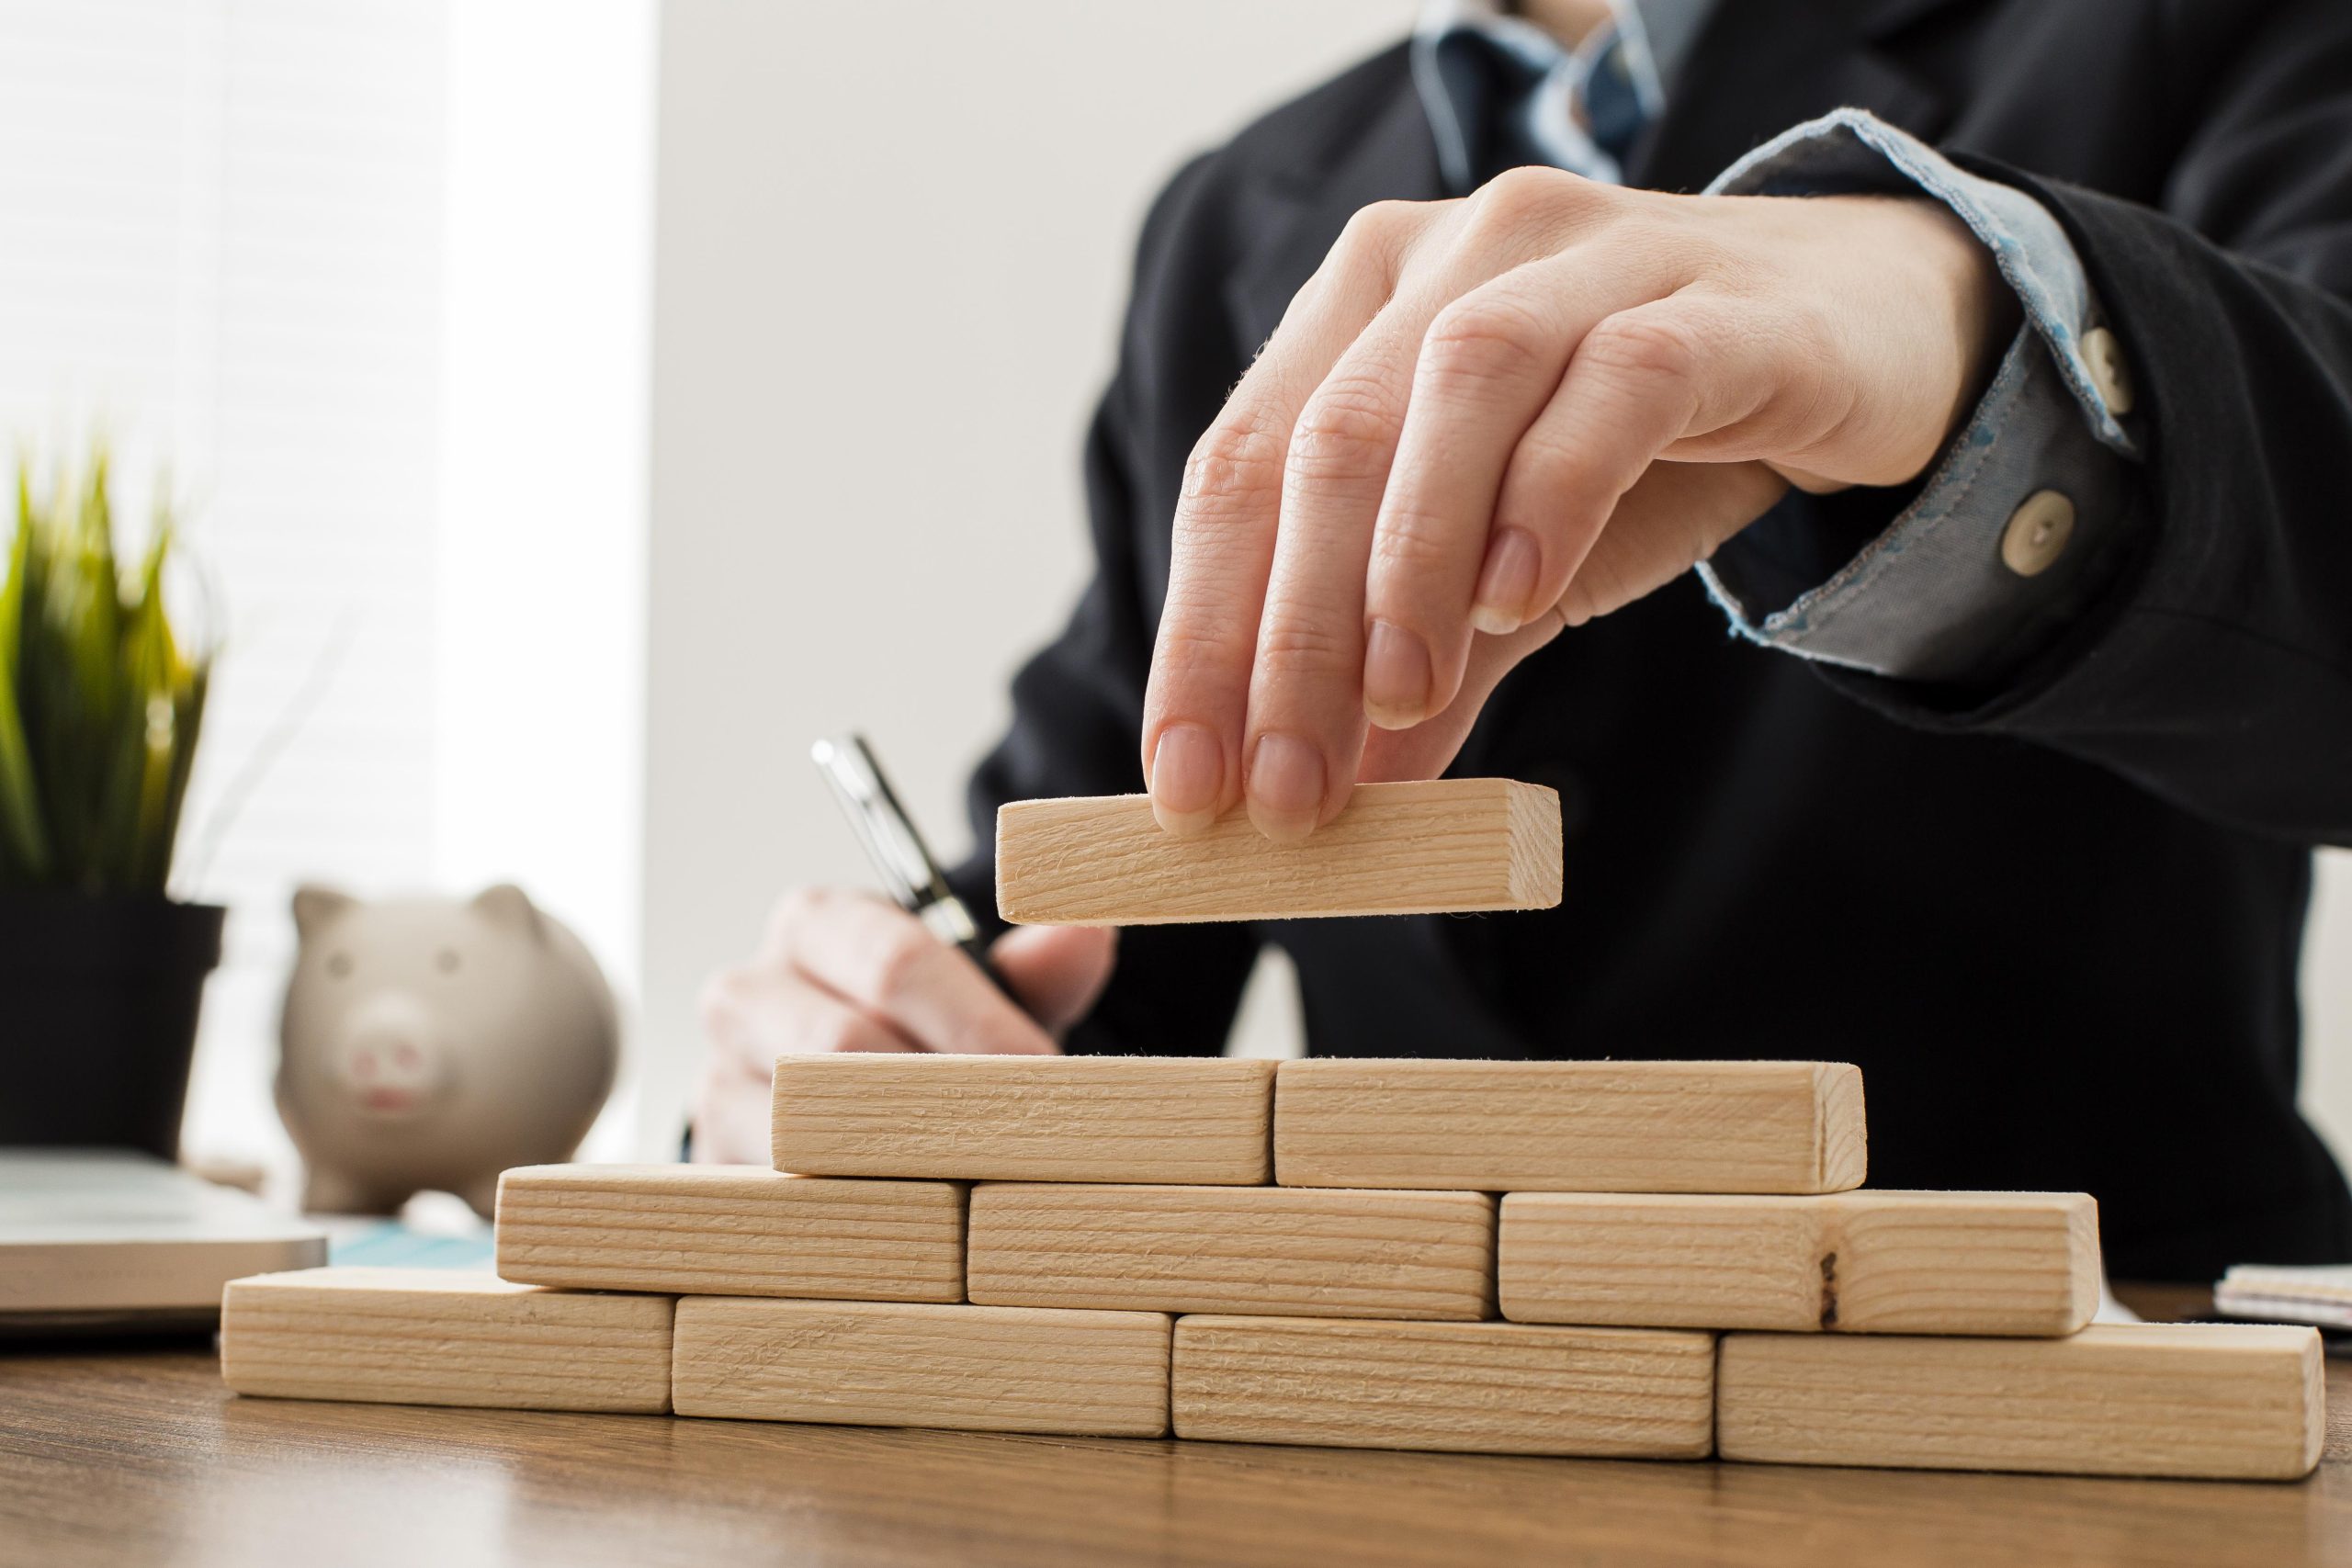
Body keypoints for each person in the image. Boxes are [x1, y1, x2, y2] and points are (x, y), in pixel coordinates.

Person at [697, 0, 2352, 1282]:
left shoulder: (2207, 32)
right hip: (1392, 1436)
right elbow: (1112, 922)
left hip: (2084, 1389)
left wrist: (1971, 312)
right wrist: (880, 1051)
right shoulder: (1230, 215)